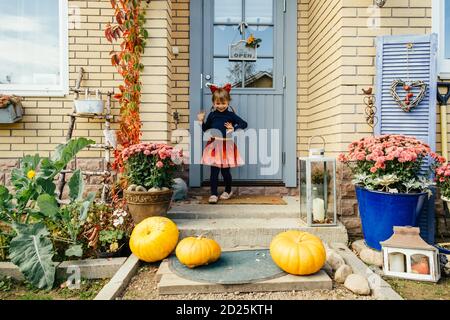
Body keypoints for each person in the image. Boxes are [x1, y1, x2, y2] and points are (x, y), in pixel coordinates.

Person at [197, 83, 248, 204]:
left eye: (223, 103)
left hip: (226, 146)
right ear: (213, 103)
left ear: (228, 102)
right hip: (214, 145)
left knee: (225, 171)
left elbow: (244, 124)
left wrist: (233, 129)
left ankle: (228, 190)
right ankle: (214, 194)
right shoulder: (212, 115)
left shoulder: (231, 115)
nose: (220, 106)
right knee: (214, 171)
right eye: (217, 103)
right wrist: (201, 121)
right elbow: (206, 129)